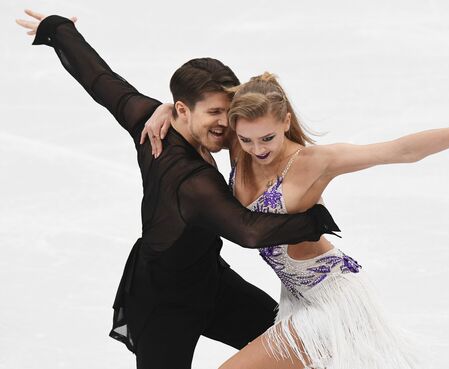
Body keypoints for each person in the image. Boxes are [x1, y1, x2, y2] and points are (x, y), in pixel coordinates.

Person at [16, 10, 343, 369]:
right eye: (215, 112)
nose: (226, 124)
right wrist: (314, 221)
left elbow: (101, 81)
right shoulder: (188, 179)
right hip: (162, 303)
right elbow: (248, 231)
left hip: (209, 282)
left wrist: (58, 30)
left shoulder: (151, 118)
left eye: (229, 111)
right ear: (186, 110)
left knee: (294, 348)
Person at [145, 73, 449, 368]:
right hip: (295, 298)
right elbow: (202, 108)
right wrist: (167, 109)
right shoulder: (242, 140)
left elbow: (402, 151)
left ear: (284, 121)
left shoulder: (313, 162)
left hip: (332, 302)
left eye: (267, 139)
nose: (257, 149)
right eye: (246, 140)